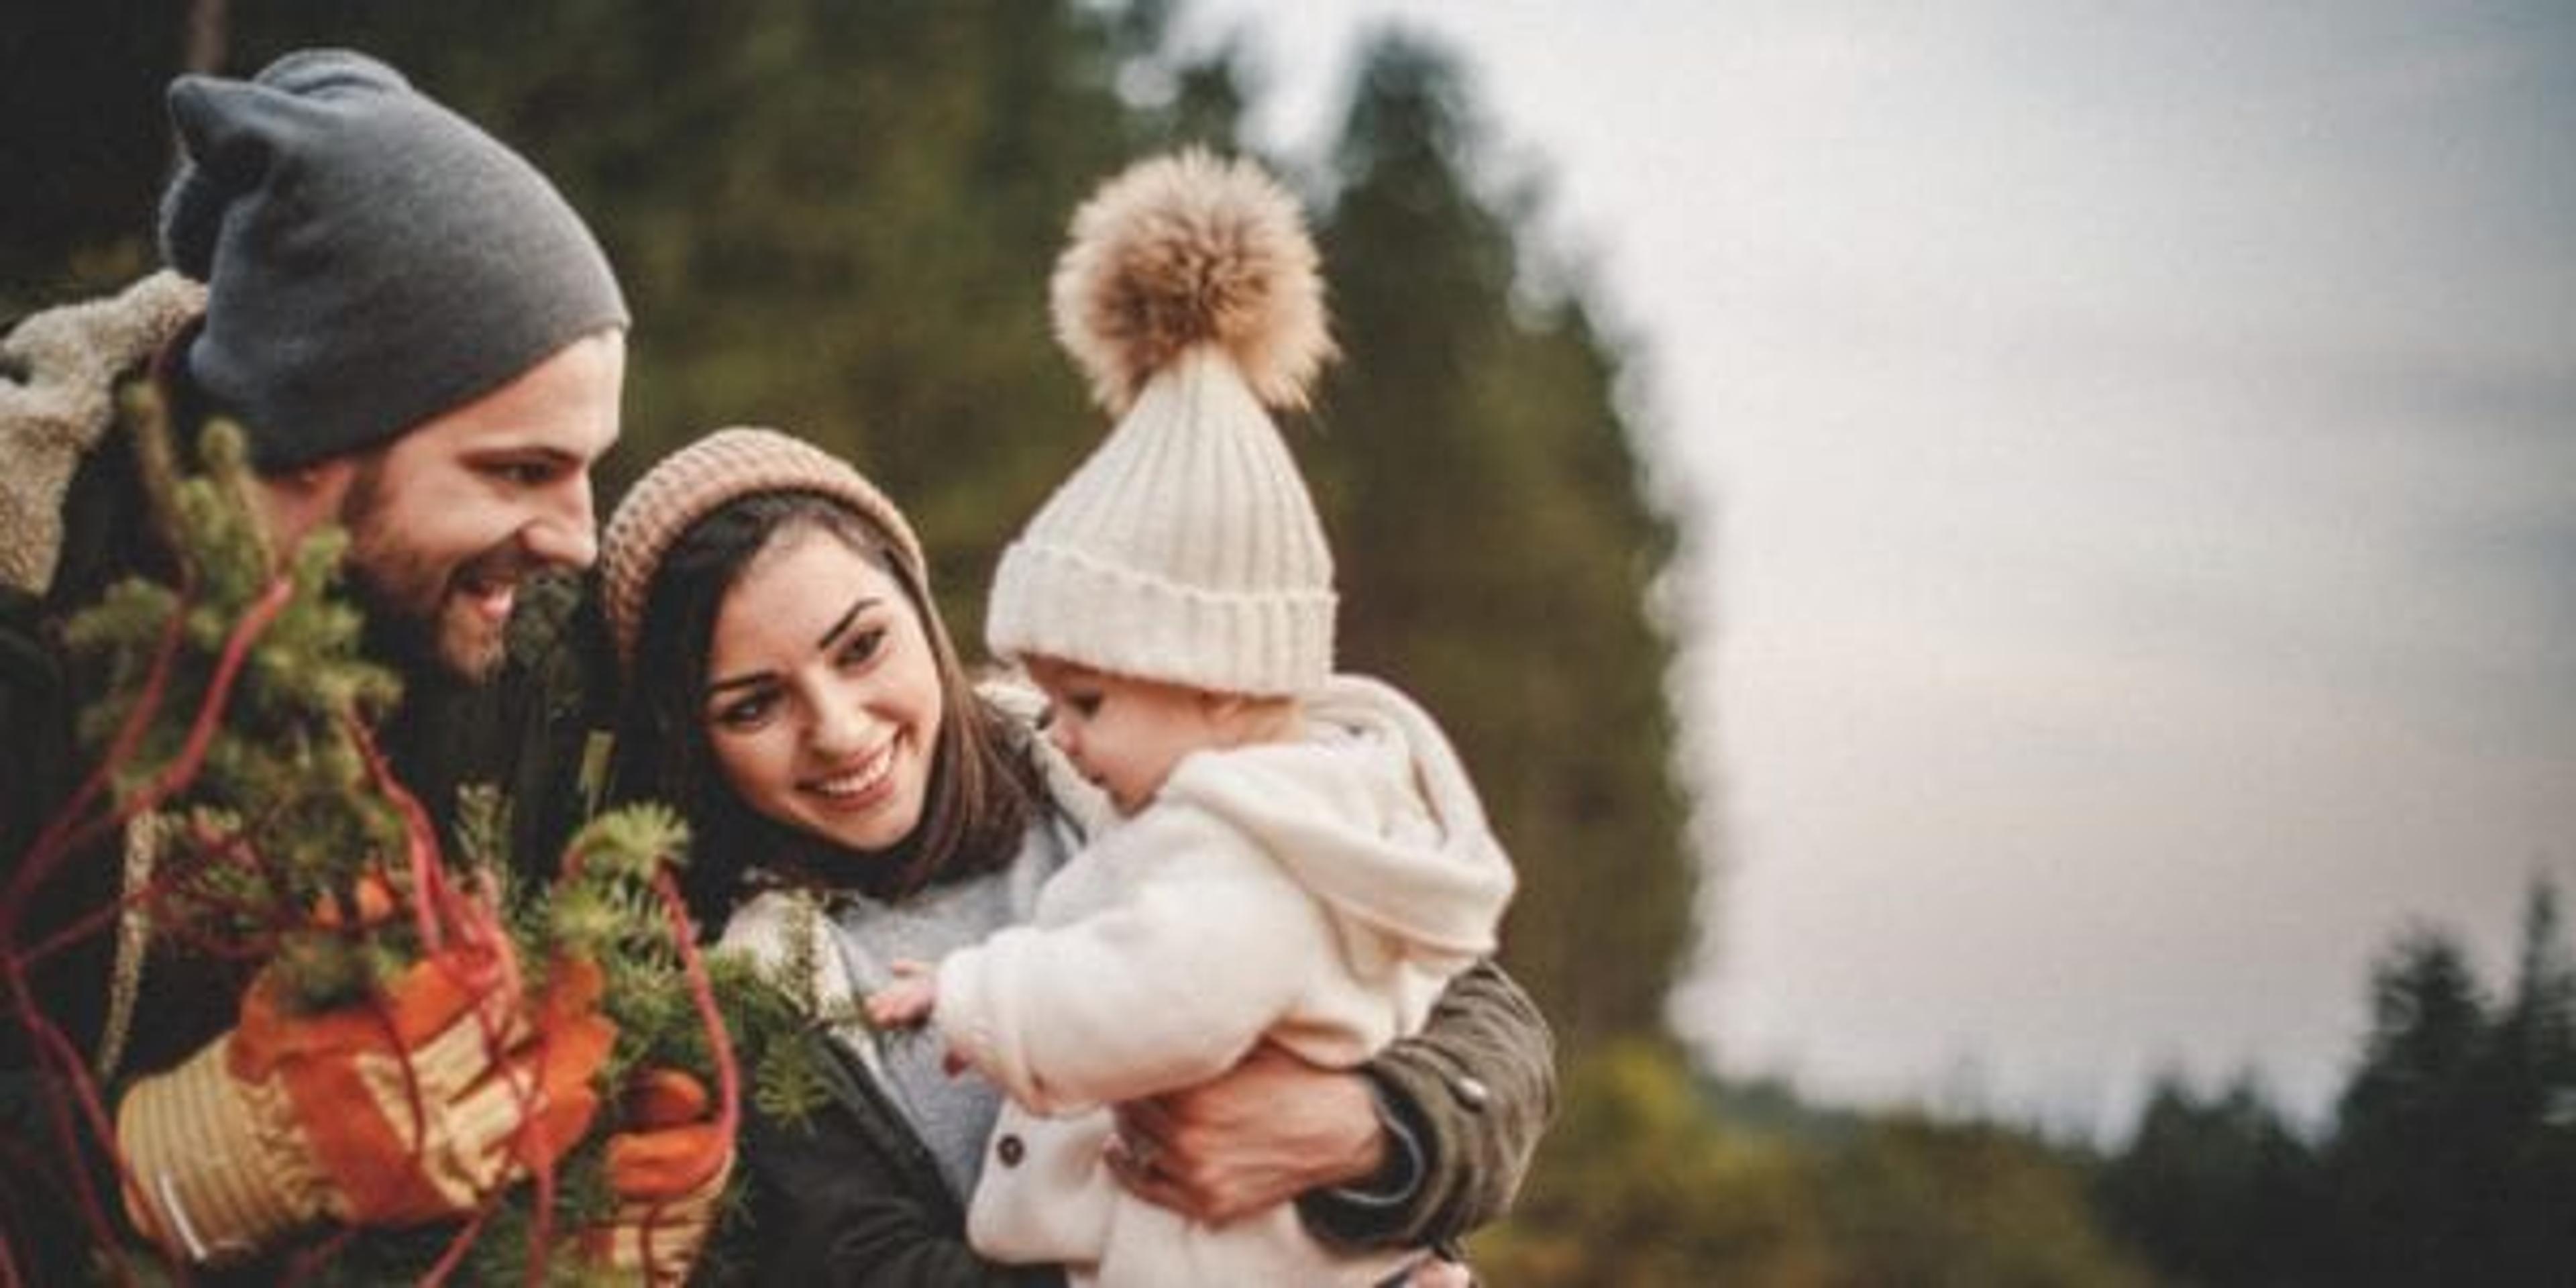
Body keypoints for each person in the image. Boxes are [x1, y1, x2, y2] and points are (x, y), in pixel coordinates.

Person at [0, 48, 700, 1281]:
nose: (576, 538)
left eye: (589, 465)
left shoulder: (505, 643)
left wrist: (582, 1188)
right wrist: (176, 1164)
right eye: (518, 469)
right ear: (313, 439)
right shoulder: (34, 623)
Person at [598, 420, 1552, 1283]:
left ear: (921, 611)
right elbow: (871, 1270)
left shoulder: (1130, 765)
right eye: (754, 705)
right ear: (695, 739)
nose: (839, 730)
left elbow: (1490, 1032)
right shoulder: (737, 999)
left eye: (861, 649)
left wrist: (1358, 1132)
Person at [853, 149, 1517, 1285]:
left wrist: (976, 996)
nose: (1056, 732)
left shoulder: (1245, 841)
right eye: (1051, 696)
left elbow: (1155, 995)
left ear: (1216, 678)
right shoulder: (1321, 812)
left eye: (1089, 701)